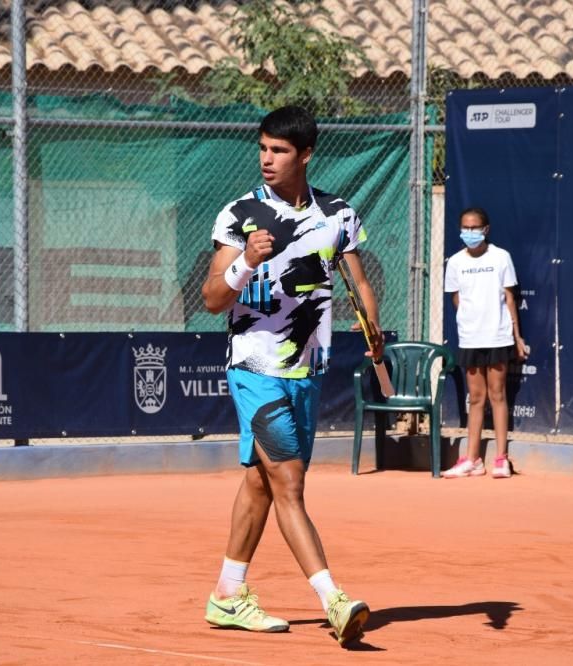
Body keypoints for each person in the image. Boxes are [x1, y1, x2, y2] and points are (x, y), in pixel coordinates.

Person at [200, 105, 383, 646]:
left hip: (307, 369)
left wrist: (374, 331)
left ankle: (228, 595)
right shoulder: (238, 214)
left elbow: (360, 282)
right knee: (289, 481)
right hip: (254, 365)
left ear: (305, 154)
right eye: (262, 149)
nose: (267, 160)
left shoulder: (340, 215)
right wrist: (245, 262)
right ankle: (334, 599)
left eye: (279, 151)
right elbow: (212, 298)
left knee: (261, 480)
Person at [443, 207, 528, 479]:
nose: (469, 233)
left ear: (486, 229)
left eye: (474, 227)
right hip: (470, 338)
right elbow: (457, 301)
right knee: (476, 398)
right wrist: (472, 322)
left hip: (498, 336)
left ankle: (501, 459)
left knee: (498, 395)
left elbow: (510, 298)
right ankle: (473, 460)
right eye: (465, 228)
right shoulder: (455, 262)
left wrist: (516, 336)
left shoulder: (501, 257)